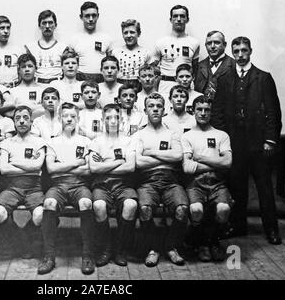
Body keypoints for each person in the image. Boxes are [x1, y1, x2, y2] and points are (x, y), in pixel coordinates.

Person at [212, 36, 282, 244]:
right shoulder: (225, 79)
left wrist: (270, 140)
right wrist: (224, 141)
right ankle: (238, 226)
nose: (240, 55)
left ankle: (271, 229)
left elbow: (273, 112)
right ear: (232, 53)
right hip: (235, 143)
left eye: (244, 50)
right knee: (237, 186)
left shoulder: (263, 78)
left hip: (258, 143)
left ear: (251, 51)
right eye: (237, 51)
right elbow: (218, 113)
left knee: (264, 188)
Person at [38, 102, 95, 275]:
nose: (69, 119)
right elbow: (51, 169)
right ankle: (49, 256)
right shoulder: (52, 142)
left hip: (80, 184)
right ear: (59, 118)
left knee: (86, 203)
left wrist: (64, 165)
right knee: (48, 203)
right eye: (65, 116)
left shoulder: (86, 141)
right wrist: (76, 162)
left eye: (72, 116)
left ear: (78, 119)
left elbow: (88, 169)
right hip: (58, 185)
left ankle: (87, 255)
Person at [134, 92, 189, 266]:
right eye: (151, 106)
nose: (155, 109)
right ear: (145, 110)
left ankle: (171, 246)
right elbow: (138, 162)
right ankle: (153, 248)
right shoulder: (139, 135)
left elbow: (178, 156)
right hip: (147, 180)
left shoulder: (172, 133)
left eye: (158, 106)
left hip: (170, 180)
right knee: (144, 209)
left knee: (182, 209)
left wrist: (151, 152)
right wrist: (165, 155)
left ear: (164, 110)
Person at [181, 96, 232, 262]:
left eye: (207, 110)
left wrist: (201, 158)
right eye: (199, 110)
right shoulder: (187, 136)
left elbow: (228, 162)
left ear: (211, 112)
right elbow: (187, 168)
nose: (203, 113)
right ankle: (201, 244)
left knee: (223, 209)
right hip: (195, 183)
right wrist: (216, 162)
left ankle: (214, 242)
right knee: (196, 210)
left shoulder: (221, 135)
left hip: (217, 183)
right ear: (193, 111)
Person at [0, 105, 46, 259]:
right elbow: (3, 169)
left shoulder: (39, 142)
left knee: (40, 215)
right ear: (14, 122)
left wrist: (14, 162)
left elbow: (37, 167)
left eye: (25, 118)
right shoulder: (6, 143)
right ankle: (21, 242)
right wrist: (28, 166)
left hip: (34, 188)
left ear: (31, 122)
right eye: (18, 119)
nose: (22, 121)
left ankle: (25, 238)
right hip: (12, 188)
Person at [90, 104, 137, 267]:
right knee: (98, 206)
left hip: (124, 184)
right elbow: (94, 168)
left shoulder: (128, 140)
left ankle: (120, 249)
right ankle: (106, 248)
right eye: (108, 118)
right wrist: (118, 161)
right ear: (103, 120)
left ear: (121, 120)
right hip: (101, 185)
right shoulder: (96, 141)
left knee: (131, 205)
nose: (112, 121)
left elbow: (130, 167)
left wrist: (106, 163)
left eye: (116, 117)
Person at [153, 5, 200, 99]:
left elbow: (195, 68)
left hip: (186, 86)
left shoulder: (194, 43)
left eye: (182, 16)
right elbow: (153, 68)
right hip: (166, 86)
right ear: (171, 20)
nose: (178, 19)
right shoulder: (161, 42)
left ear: (187, 19)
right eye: (175, 16)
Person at [70, 1, 113, 83]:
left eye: (94, 15)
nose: (91, 19)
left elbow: (111, 63)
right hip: (80, 78)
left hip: (101, 79)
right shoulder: (74, 39)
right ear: (81, 17)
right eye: (87, 16)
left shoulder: (106, 39)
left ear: (98, 16)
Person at [25, 10, 67, 84]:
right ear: (39, 25)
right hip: (37, 84)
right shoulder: (31, 47)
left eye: (50, 23)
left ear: (55, 25)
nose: (47, 26)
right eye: (44, 23)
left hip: (57, 84)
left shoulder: (63, 47)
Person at [194, 31, 235, 100]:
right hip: (203, 109)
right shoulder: (199, 66)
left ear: (224, 45)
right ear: (206, 46)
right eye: (209, 43)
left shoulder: (234, 65)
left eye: (216, 42)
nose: (212, 46)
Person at [112, 19, 153, 84]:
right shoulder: (115, 52)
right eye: (125, 33)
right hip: (120, 85)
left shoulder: (146, 52)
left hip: (139, 85)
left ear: (139, 34)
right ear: (122, 34)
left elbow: (151, 74)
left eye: (132, 32)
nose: (128, 36)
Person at [8, 53, 45, 119]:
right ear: (19, 70)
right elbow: (9, 112)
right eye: (23, 67)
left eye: (30, 66)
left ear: (36, 68)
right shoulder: (12, 92)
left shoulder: (43, 90)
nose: (27, 69)